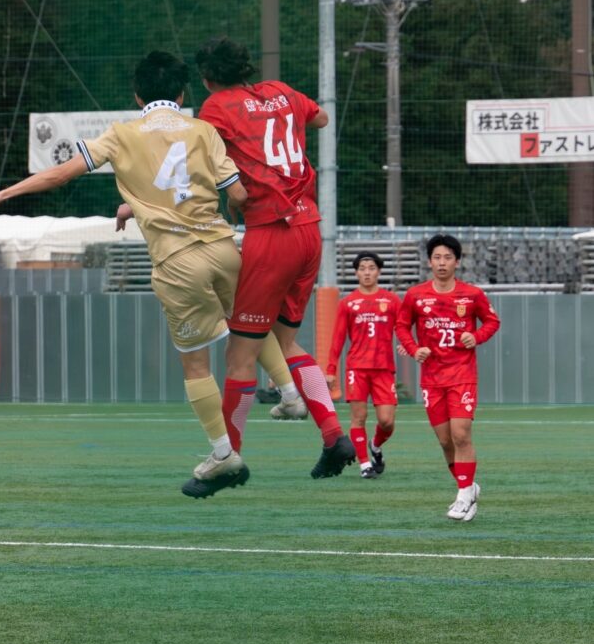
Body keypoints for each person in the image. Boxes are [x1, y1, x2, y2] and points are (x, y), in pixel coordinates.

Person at [0, 50, 291, 500]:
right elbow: (236, 192)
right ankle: (291, 395)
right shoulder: (203, 130)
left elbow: (60, 175)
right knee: (249, 326)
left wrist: (3, 194)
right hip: (223, 248)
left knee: (196, 363)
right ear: (182, 95)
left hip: (178, 262)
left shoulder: (122, 134)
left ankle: (223, 454)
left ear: (138, 95)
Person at [195, 36, 355, 479]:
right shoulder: (281, 91)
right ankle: (334, 436)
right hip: (309, 229)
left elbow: (199, 161)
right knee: (285, 343)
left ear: (207, 79)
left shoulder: (215, 108)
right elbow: (321, 118)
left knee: (240, 355)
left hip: (272, 231)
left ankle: (228, 457)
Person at [395, 234, 501, 522]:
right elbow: (401, 326)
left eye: (447, 258)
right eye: (437, 258)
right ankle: (468, 487)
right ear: (429, 262)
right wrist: (414, 349)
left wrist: (475, 336)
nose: (442, 263)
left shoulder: (472, 294)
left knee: (461, 434)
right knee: (445, 441)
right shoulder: (415, 295)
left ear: (457, 262)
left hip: (462, 374)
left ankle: (463, 496)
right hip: (432, 378)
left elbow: (492, 321)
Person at [326, 251, 400, 479]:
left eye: (371, 268)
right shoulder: (347, 303)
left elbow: (404, 327)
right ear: (356, 273)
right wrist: (330, 370)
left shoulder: (392, 300)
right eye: (362, 269)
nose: (367, 272)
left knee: (387, 421)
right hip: (357, 368)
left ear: (379, 272)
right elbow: (338, 339)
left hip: (384, 368)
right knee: (358, 417)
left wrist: (409, 345)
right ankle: (365, 464)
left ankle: (375, 446)